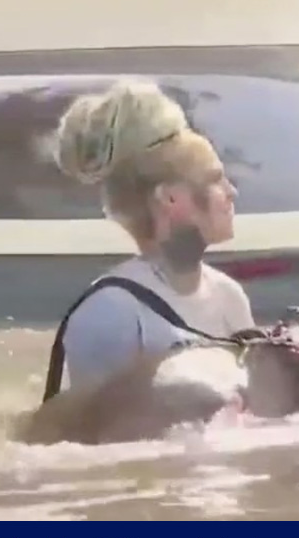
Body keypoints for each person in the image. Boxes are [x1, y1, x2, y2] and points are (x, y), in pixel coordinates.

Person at [41, 80, 256, 401]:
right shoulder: (111, 311)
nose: (231, 192)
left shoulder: (229, 297)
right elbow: (96, 436)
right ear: (170, 198)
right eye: (214, 179)